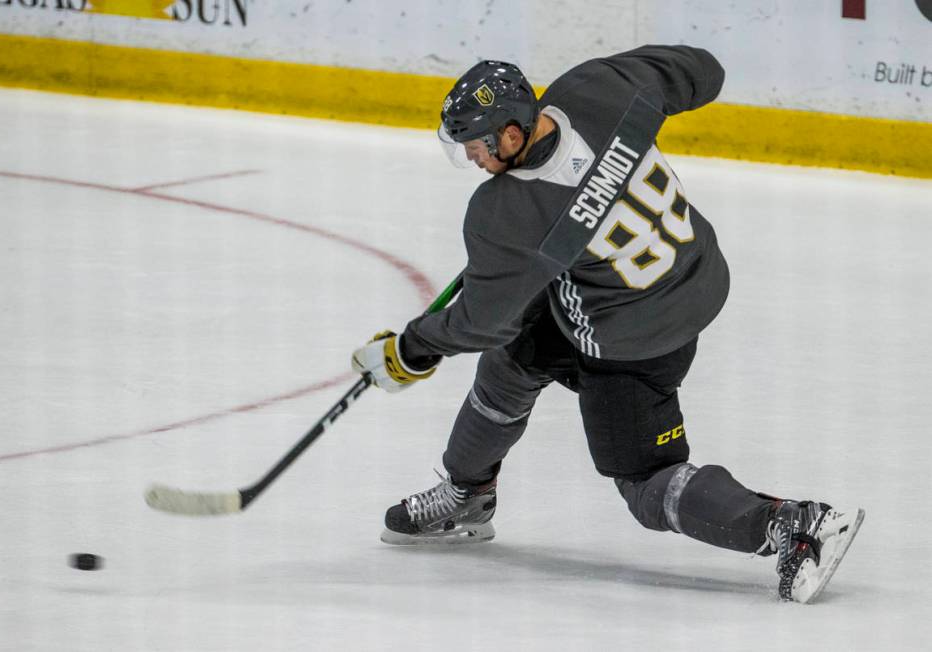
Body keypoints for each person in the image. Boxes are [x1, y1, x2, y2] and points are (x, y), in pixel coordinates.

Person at [350, 45, 863, 603]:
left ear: (514, 136)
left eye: (477, 146)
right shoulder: (598, 88)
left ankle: (791, 524)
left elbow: (482, 323)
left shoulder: (506, 214)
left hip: (631, 340)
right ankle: (468, 494)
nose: (472, 158)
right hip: (696, 274)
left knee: (646, 482)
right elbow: (704, 73)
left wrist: (411, 349)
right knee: (515, 360)